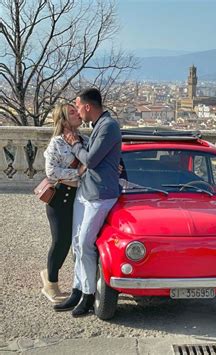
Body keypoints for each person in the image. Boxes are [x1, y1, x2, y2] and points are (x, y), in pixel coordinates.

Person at [53, 88, 122, 317]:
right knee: (77, 243)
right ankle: (77, 289)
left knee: (85, 244)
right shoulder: (98, 125)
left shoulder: (108, 126)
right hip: (86, 191)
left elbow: (91, 160)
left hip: (100, 194)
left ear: (88, 106)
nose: (78, 111)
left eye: (78, 106)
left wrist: (74, 144)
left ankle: (89, 294)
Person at [41, 103, 88, 303]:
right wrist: (77, 172)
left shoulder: (85, 140)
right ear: (63, 120)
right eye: (71, 112)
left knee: (79, 242)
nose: (77, 114)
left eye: (76, 110)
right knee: (61, 242)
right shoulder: (57, 143)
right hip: (60, 198)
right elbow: (52, 172)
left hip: (79, 197)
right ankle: (50, 284)